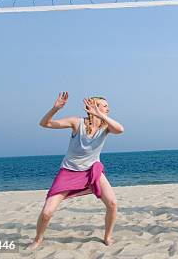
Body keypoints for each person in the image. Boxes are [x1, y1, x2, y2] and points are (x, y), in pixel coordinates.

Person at [29, 92, 125, 250]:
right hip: (68, 172)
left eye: (107, 106)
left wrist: (100, 115)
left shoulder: (106, 126)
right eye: (104, 106)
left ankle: (108, 236)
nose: (108, 109)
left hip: (92, 170)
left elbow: (120, 129)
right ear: (93, 106)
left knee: (113, 203)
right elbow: (44, 124)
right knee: (47, 212)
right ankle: (38, 239)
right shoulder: (77, 122)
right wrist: (55, 108)